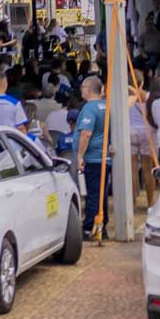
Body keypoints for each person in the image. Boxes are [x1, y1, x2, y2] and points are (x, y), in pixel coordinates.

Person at [74, 76, 110, 234]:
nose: (81, 90)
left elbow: (86, 133)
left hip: (93, 158)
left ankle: (90, 226)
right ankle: (102, 224)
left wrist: (80, 155)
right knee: (101, 193)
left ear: (87, 89)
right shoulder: (105, 105)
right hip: (104, 157)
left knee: (93, 194)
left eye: (82, 87)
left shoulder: (90, 108)